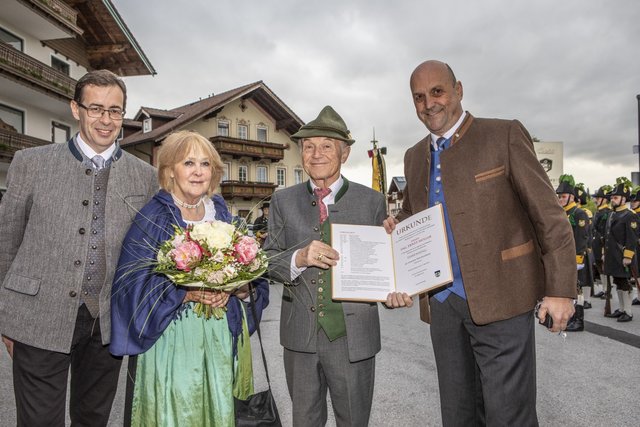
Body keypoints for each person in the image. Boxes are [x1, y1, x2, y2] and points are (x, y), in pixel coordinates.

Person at [384, 60, 576, 426]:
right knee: (457, 415)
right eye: (419, 97)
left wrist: (560, 289)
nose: (429, 104)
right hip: (442, 304)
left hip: (503, 300)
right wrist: (398, 227)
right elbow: (413, 214)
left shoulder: (502, 134)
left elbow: (549, 216)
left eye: (437, 92)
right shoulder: (413, 157)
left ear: (458, 90)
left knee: (508, 416)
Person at [0, 70, 158, 426]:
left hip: (107, 323)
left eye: (115, 111)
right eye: (96, 108)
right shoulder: (31, 163)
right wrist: (5, 317)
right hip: (37, 315)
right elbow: (6, 241)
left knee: (93, 419)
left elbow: (148, 250)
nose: (105, 120)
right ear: (76, 109)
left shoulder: (144, 175)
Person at [110, 130, 269, 426]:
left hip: (220, 337)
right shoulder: (153, 217)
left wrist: (238, 288)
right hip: (171, 340)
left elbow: (255, 277)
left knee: (218, 410)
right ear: (170, 171)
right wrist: (185, 293)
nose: (198, 172)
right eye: (188, 163)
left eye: (205, 164)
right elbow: (130, 288)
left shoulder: (224, 215)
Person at [265, 106, 411, 427]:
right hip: (299, 337)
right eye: (308, 146)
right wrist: (299, 258)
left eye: (326, 146)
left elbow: (383, 268)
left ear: (344, 153)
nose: (315, 154)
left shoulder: (371, 201)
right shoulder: (282, 201)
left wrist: (395, 293)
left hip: (353, 338)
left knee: (354, 421)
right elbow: (266, 262)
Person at [556, 175, 589, 332]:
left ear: (571, 196)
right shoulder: (563, 213)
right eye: (559, 196)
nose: (560, 199)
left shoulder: (579, 213)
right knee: (571, 289)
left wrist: (577, 259)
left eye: (563, 196)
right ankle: (572, 318)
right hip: (565, 257)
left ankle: (579, 320)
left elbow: (582, 238)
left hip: (576, 257)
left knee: (578, 289)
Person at [603, 178, 637, 322]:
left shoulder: (630, 215)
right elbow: (607, 235)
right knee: (617, 281)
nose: (613, 200)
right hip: (613, 255)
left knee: (625, 283)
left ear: (624, 199)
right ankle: (622, 309)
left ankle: (628, 312)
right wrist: (605, 253)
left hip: (623, 256)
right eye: (612, 198)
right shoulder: (612, 214)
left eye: (615, 197)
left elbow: (632, 238)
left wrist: (628, 256)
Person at [591, 185, 612, 298]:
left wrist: (604, 250)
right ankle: (604, 289)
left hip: (604, 245)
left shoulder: (607, 212)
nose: (596, 200)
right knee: (600, 268)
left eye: (598, 198)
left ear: (604, 199)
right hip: (597, 245)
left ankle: (608, 290)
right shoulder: (598, 211)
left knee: (605, 268)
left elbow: (606, 232)